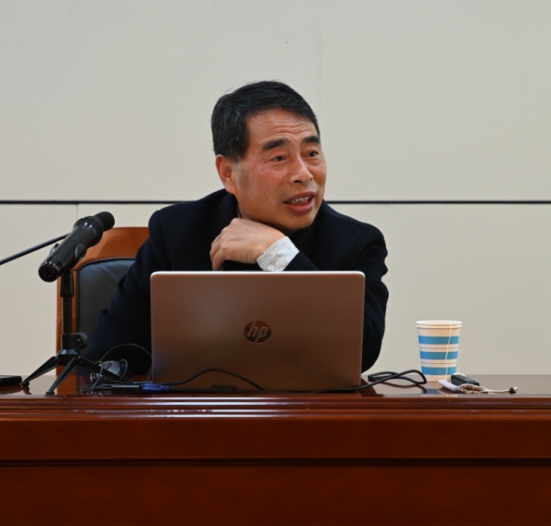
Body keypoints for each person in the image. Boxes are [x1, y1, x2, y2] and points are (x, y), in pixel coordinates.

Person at [84, 81, 388, 373]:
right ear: (228, 172)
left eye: (312, 154)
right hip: (199, 408)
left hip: (308, 408)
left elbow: (362, 352)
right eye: (279, 157)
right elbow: (108, 356)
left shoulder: (355, 244)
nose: (304, 174)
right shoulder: (178, 233)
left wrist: (278, 254)